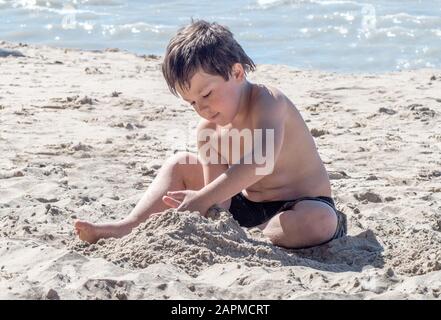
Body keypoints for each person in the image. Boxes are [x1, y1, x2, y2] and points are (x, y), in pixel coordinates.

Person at [75, 20, 347, 248]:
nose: (201, 108)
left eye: (206, 94)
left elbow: (261, 162)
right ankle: (131, 225)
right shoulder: (208, 132)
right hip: (247, 208)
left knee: (318, 223)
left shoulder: (268, 101)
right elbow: (221, 200)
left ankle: (261, 234)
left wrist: (200, 200)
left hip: (303, 204)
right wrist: (207, 205)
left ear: (237, 72)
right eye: (191, 102)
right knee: (179, 163)